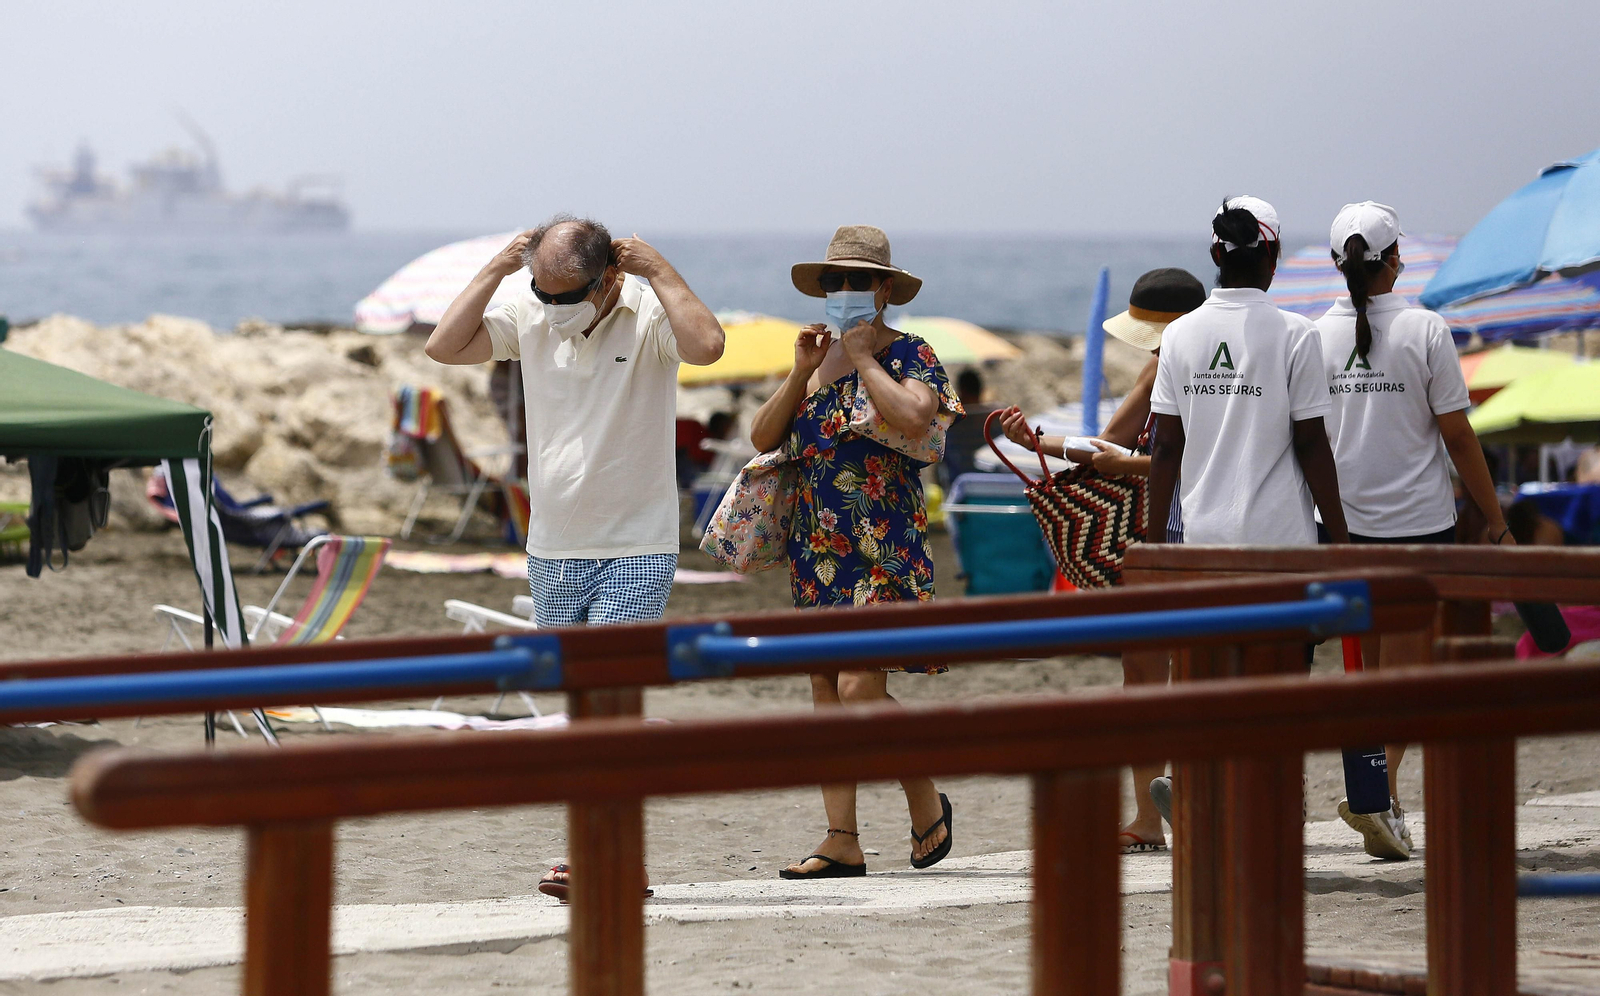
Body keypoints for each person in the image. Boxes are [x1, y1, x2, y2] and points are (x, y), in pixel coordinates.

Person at [425, 214, 725, 897]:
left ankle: (613, 857)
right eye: (543, 291)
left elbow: (707, 347)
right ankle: (601, 850)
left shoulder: (647, 313)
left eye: (566, 295)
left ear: (607, 278)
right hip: (554, 544)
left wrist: (662, 271)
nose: (552, 307)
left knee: (610, 702)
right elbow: (445, 347)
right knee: (585, 711)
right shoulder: (529, 310)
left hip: (636, 543)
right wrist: (499, 271)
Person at [748, 225, 963, 879]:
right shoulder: (815, 363)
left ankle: (922, 792)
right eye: (833, 282)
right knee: (825, 687)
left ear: (884, 289)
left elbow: (918, 417)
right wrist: (799, 371)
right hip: (819, 549)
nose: (842, 292)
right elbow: (762, 437)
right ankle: (841, 837)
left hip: (883, 545)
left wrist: (866, 358)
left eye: (855, 281)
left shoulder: (909, 353)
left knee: (858, 685)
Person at [1317, 201, 1514, 860]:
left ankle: (1379, 796)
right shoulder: (1427, 329)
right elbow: (1458, 435)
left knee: (1366, 673)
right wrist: (1494, 515)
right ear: (1394, 259)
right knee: (1407, 676)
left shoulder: (1314, 335)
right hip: (1420, 528)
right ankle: (1378, 794)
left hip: (1339, 529)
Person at [994, 267, 1207, 852]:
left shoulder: (1207, 370)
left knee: (1178, 674)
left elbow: (1206, 460)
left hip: (1196, 531)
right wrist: (1039, 443)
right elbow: (1109, 442)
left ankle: (1181, 798)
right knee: (1142, 675)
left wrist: (1129, 467)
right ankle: (1147, 814)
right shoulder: (1161, 367)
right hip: (1159, 537)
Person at [1147, 197, 1349, 549]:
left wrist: (1152, 545)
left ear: (1216, 255)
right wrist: (1342, 544)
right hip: (1281, 543)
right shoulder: (1297, 334)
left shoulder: (1177, 334)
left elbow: (1166, 447)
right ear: (1273, 257)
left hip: (1203, 541)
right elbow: (1311, 443)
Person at [939, 368, 997, 484]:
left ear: (961, 391)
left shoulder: (952, 423)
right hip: (992, 482)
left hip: (959, 484)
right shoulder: (994, 418)